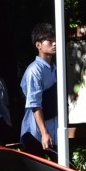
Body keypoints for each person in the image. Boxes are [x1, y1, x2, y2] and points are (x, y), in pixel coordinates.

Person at [19, 23, 58, 158]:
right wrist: (44, 133)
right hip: (35, 133)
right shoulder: (34, 70)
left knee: (64, 170)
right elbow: (35, 104)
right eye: (50, 40)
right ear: (38, 45)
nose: (55, 43)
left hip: (53, 129)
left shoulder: (55, 68)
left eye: (55, 40)